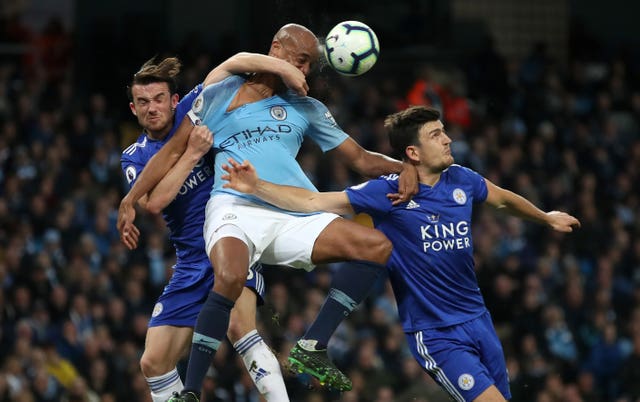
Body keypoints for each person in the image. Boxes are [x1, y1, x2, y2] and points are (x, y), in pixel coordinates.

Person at [116, 23, 418, 401]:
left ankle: (312, 346)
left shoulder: (308, 107)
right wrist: (129, 200)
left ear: (171, 100)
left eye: (309, 65)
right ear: (276, 49)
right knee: (159, 358)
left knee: (376, 246)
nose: (305, 71)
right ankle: (191, 392)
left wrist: (403, 166)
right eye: (300, 61)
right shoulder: (219, 94)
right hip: (233, 210)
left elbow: (360, 158)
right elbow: (170, 157)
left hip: (292, 208)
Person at [220, 105, 582, 402]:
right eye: (436, 135)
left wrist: (545, 217)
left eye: (444, 131)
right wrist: (257, 186)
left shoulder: (462, 179)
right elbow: (315, 200)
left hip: (479, 320)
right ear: (412, 153)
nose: (448, 139)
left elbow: (502, 198)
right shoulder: (387, 194)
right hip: (437, 333)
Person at [121, 56, 290, 401]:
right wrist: (192, 153)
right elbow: (155, 202)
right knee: (153, 362)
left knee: (239, 326)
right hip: (189, 261)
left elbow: (235, 63)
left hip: (230, 237)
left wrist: (285, 68)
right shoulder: (134, 156)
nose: (152, 108)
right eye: (143, 102)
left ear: (173, 100)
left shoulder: (195, 108)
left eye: (158, 100)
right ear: (133, 109)